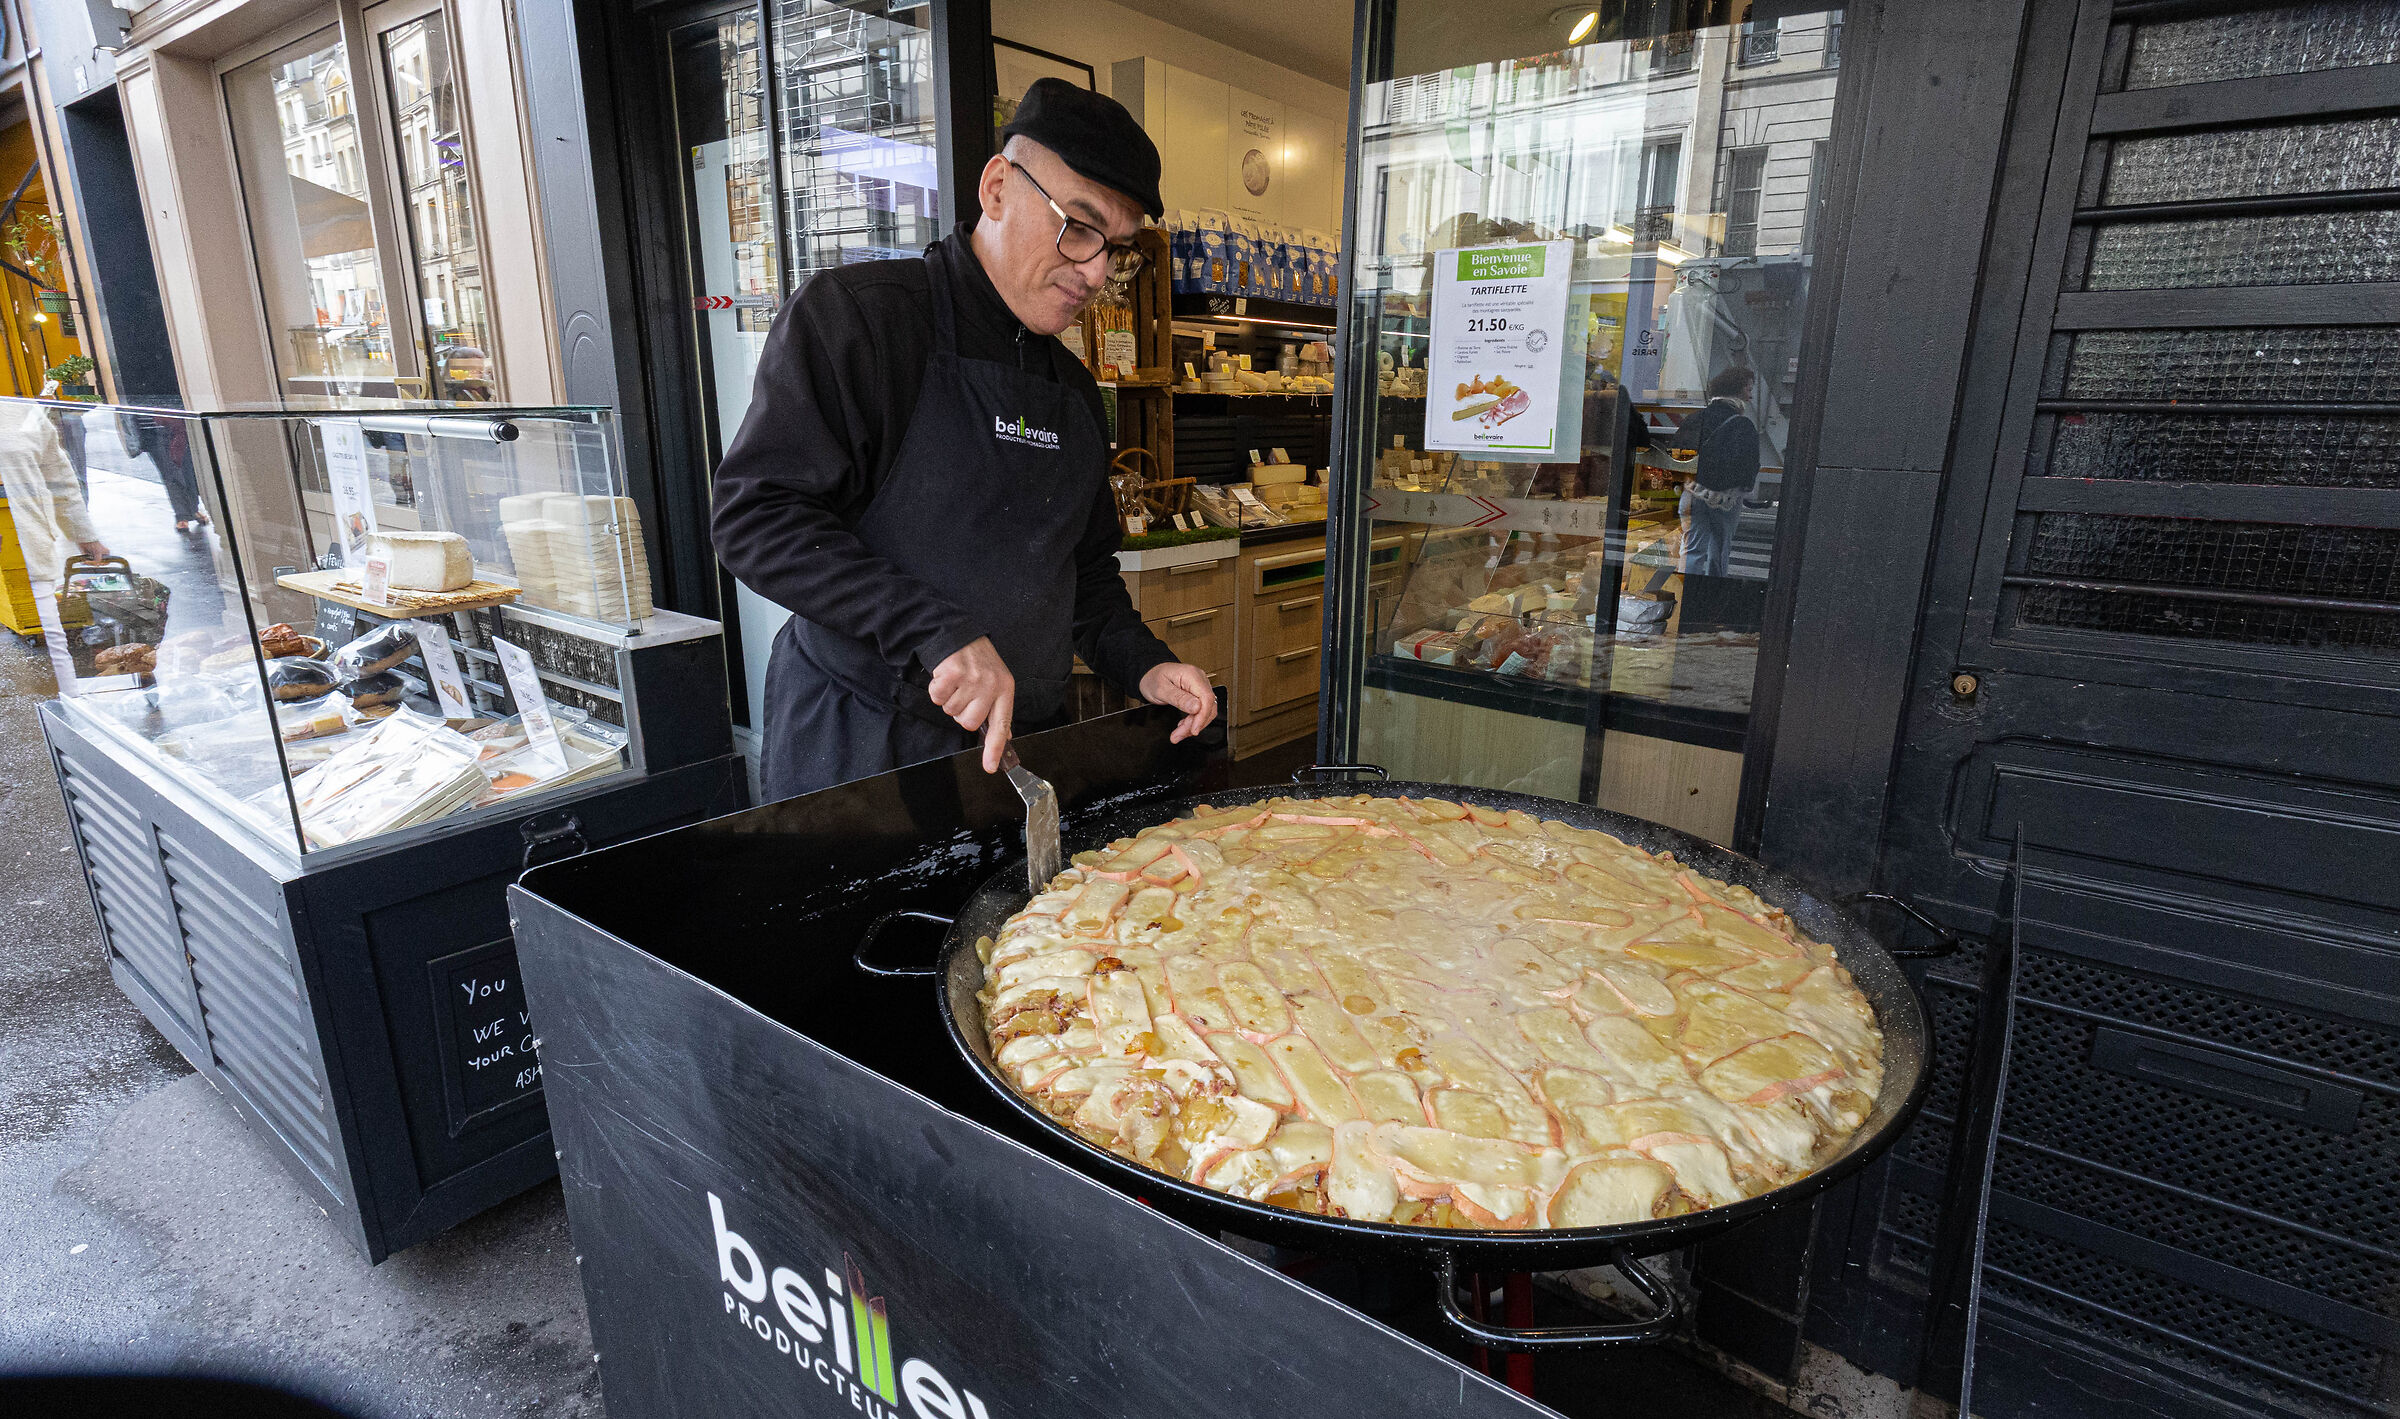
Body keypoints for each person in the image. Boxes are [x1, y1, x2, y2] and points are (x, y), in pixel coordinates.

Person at [712, 79, 1217, 800]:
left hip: (1019, 755)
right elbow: (755, 516)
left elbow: (1085, 577)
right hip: (861, 749)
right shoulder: (860, 322)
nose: (1095, 271)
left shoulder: (1075, 394)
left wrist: (1144, 664)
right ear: (997, 188)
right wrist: (932, 628)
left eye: (1117, 250)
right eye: (1079, 226)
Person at [1671, 365, 1759, 579]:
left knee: (1691, 549)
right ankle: (1712, 592)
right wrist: (1739, 488)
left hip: (1692, 491)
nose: (1751, 395)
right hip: (1724, 498)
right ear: (1737, 390)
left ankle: (1686, 591)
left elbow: (1676, 453)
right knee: (1719, 551)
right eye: (1748, 389)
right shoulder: (1742, 425)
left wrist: (1681, 483)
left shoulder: (1694, 419)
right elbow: (1749, 464)